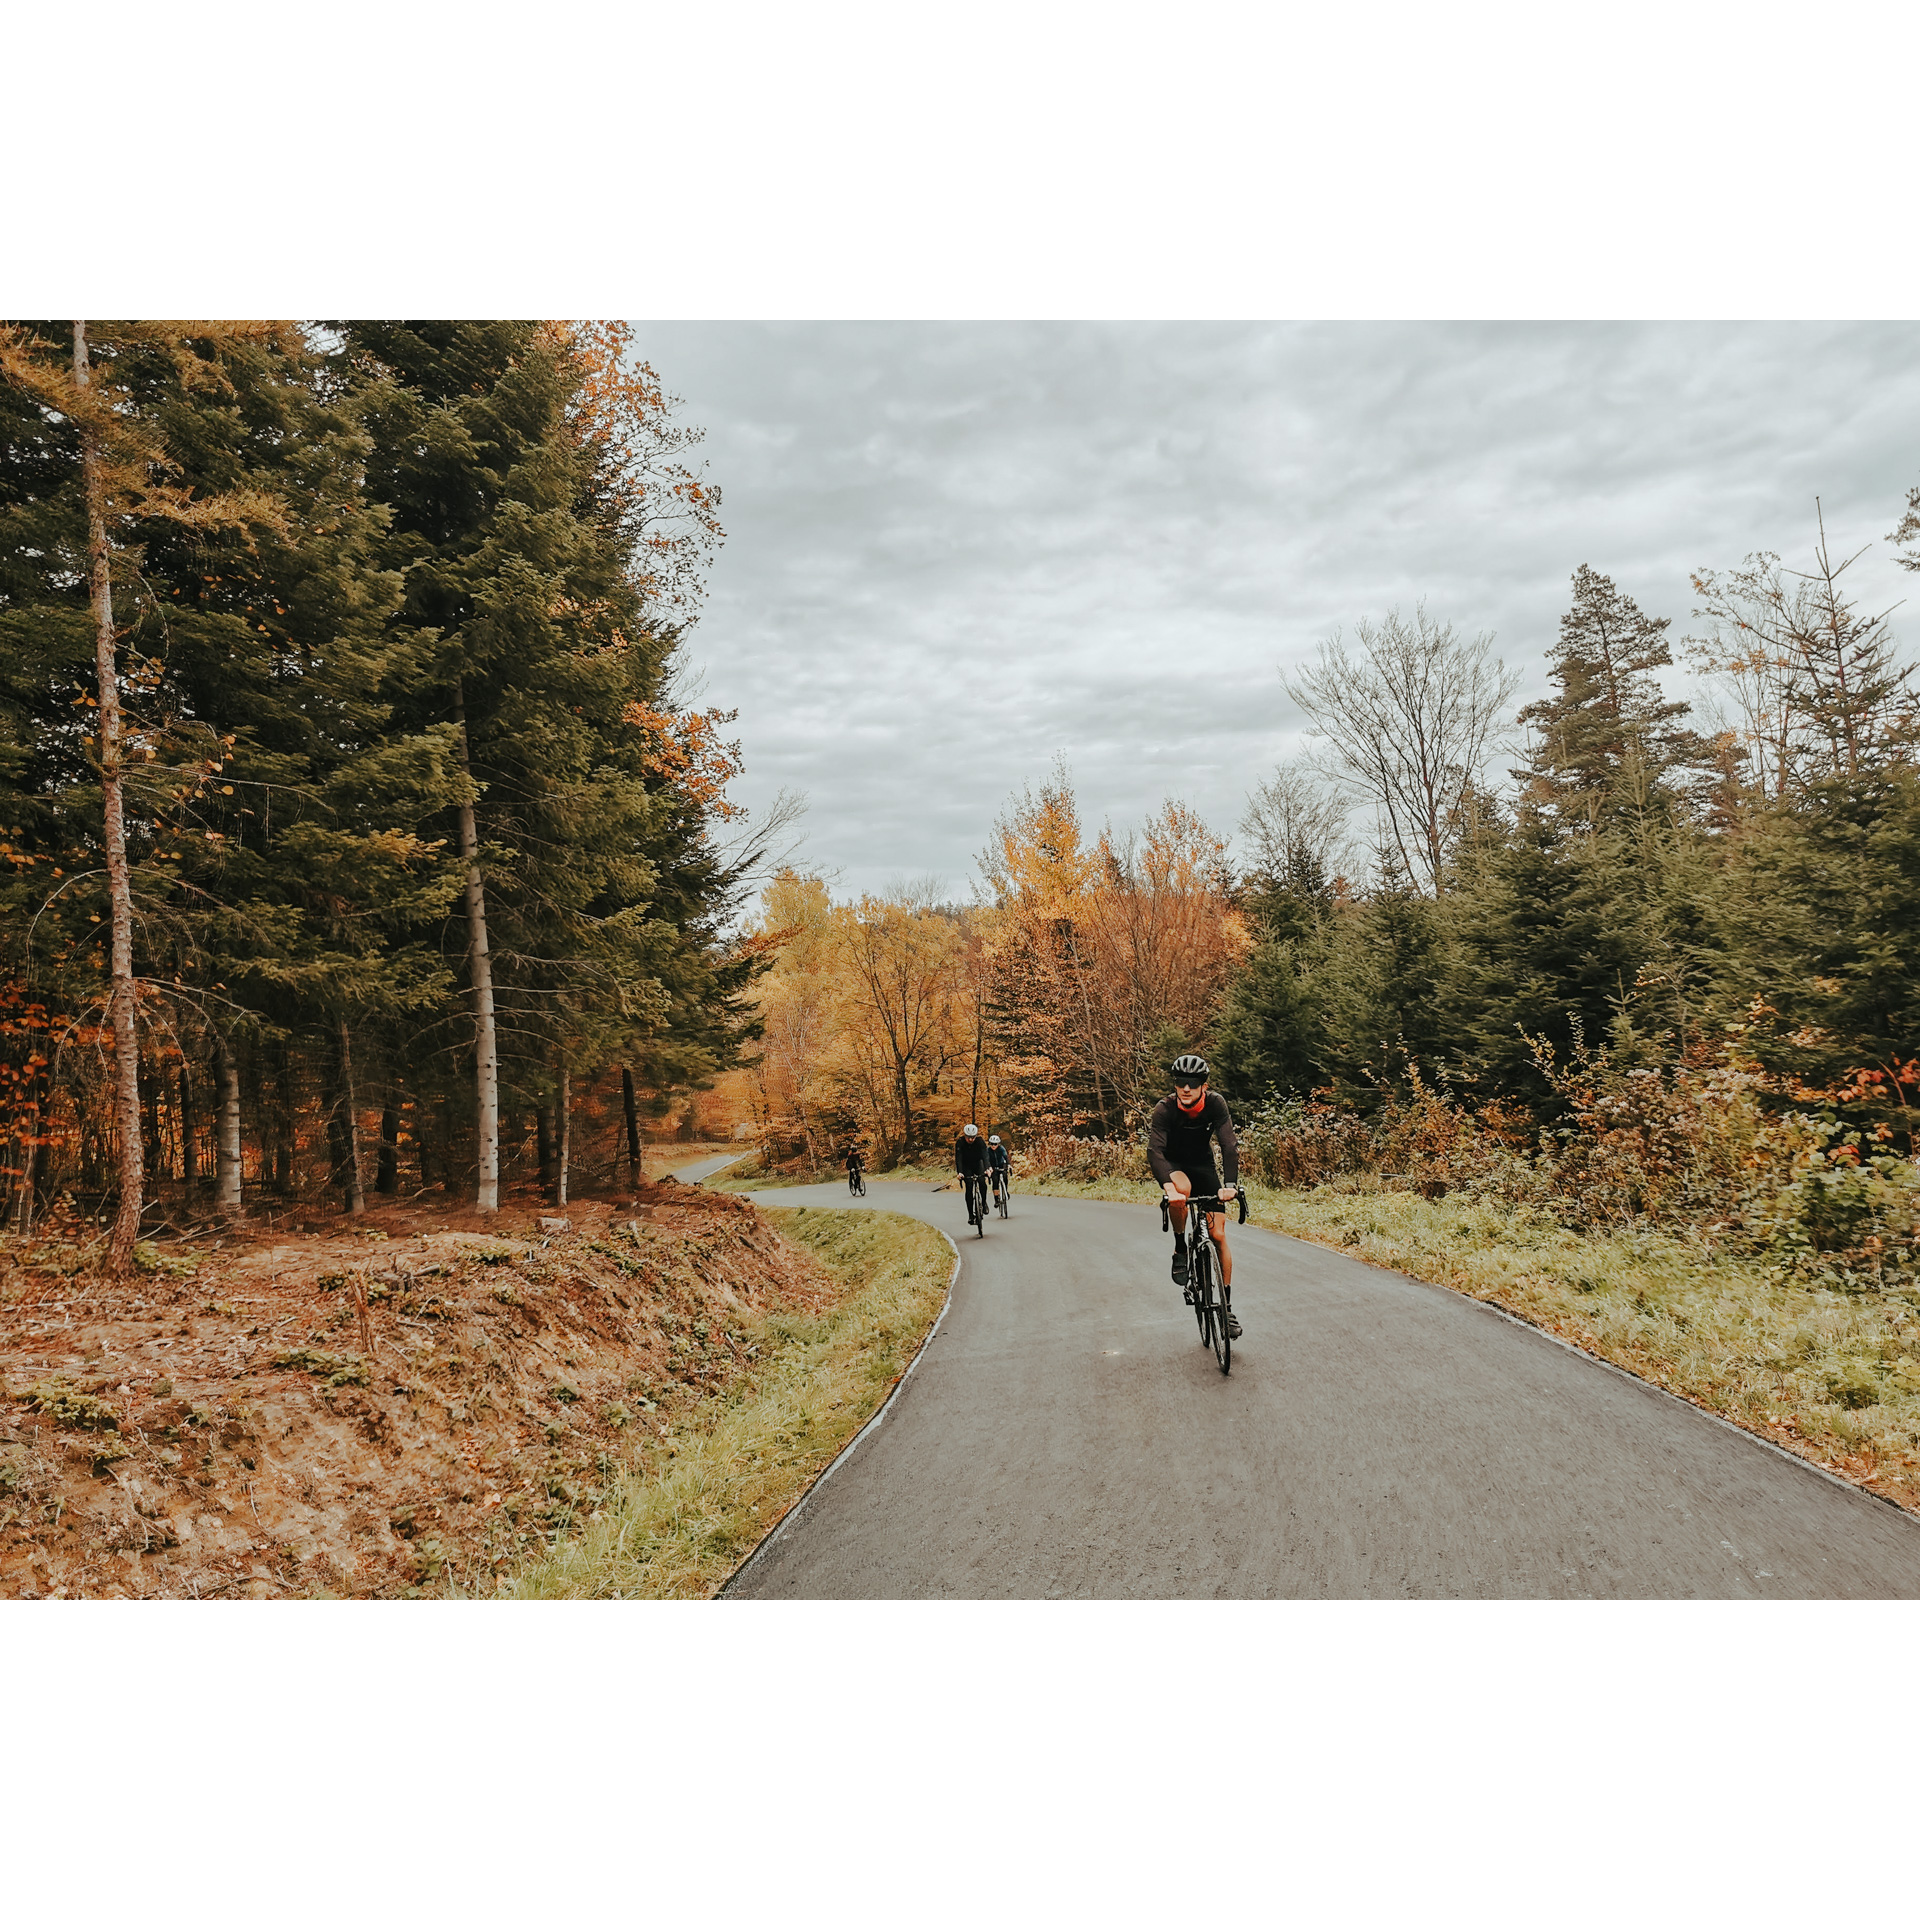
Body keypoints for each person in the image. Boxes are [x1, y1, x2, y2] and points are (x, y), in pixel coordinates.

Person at [1146, 1053, 1242, 1341]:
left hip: (1204, 1166)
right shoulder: (1164, 1109)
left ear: (1204, 1084)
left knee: (1218, 1234)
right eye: (1180, 1082)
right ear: (1175, 1084)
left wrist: (1230, 1184)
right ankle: (1180, 1248)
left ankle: (1226, 1308)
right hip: (1175, 1167)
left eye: (1193, 1082)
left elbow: (1228, 1145)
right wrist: (1168, 1187)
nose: (1186, 1088)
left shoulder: (1215, 1104)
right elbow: (1155, 1151)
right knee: (1182, 1191)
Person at [954, 1122, 990, 1223]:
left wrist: (987, 1168)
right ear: (965, 1135)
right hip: (966, 1166)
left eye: (973, 1137)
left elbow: (985, 1156)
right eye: (969, 1137)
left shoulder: (980, 1141)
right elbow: (959, 1158)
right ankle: (970, 1214)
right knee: (969, 1187)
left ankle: (983, 1203)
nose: (971, 1140)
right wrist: (960, 1172)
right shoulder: (960, 1142)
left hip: (978, 1163)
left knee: (982, 1182)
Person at [986, 1133, 1010, 1206]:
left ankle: (1005, 1190)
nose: (993, 1146)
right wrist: (989, 1168)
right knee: (995, 1181)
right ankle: (996, 1199)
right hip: (993, 1167)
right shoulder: (988, 1150)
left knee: (1005, 1176)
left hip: (1001, 1165)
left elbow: (1006, 1156)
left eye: (995, 1144)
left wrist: (1008, 1165)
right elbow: (986, 1160)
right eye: (992, 1144)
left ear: (998, 1144)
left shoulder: (1001, 1148)